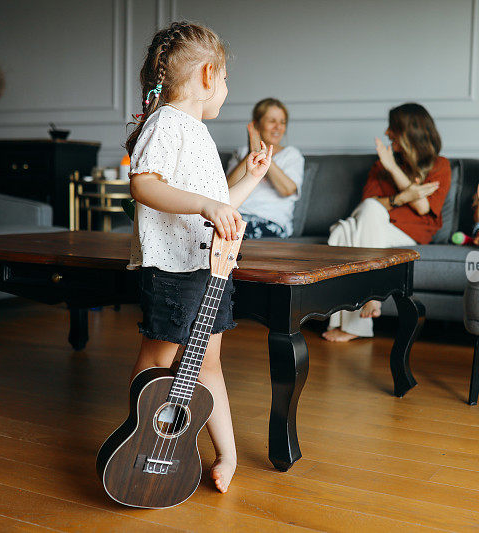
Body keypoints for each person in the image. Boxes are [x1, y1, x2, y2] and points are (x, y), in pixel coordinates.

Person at [126, 21, 273, 493]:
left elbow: (217, 207)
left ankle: (227, 454)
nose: (227, 90)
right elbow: (144, 184)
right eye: (227, 80)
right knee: (158, 361)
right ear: (208, 75)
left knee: (208, 364)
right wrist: (209, 205)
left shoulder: (195, 132)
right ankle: (139, 441)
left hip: (209, 268)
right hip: (173, 271)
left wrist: (249, 180)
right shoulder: (167, 124)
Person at [324, 103, 451, 342]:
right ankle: (367, 303)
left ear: (409, 131)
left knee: (344, 232)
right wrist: (403, 197)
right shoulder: (379, 165)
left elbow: (424, 208)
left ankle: (366, 304)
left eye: (393, 128)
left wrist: (393, 168)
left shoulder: (439, 165)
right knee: (358, 221)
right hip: (374, 225)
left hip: (409, 233)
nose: (387, 133)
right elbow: (366, 206)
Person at [226, 98, 304, 238]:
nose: (278, 127)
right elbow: (227, 190)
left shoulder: (292, 155)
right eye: (272, 121)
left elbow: (287, 190)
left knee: (235, 235)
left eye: (282, 122)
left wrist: (263, 155)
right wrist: (252, 153)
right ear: (256, 125)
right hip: (236, 216)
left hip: (271, 221)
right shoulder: (241, 153)